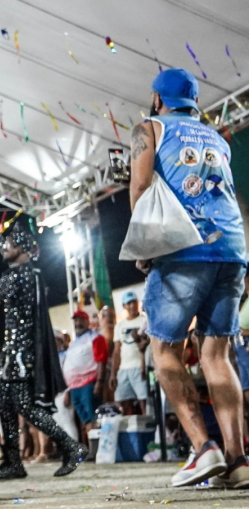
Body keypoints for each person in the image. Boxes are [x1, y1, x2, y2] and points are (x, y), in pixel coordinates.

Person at [129, 68, 248, 488]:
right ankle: (237, 460)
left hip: (185, 248)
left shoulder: (150, 127)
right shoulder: (216, 137)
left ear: (158, 99)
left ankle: (203, 449)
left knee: (165, 350)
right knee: (218, 354)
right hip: (233, 248)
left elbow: (141, 186)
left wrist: (145, 247)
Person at [0, 214, 86, 480]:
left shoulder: (17, 277)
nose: (5, 247)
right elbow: (9, 253)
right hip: (14, 354)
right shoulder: (29, 274)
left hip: (18, 355)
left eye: (9, 243)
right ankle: (13, 462)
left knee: (25, 408)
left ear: (24, 250)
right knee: (5, 403)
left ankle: (70, 447)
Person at [61, 310, 108, 440]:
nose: (78, 323)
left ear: (87, 321)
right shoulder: (74, 343)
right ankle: (93, 449)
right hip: (74, 388)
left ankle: (99, 448)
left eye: (81, 320)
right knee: (85, 420)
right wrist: (68, 390)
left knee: (93, 416)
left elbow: (101, 361)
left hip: (89, 383)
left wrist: (100, 381)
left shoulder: (95, 338)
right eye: (75, 320)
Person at [110, 291, 150, 415]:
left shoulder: (145, 320)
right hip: (124, 369)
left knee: (145, 401)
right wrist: (113, 373)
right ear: (124, 306)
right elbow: (117, 350)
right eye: (128, 303)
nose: (131, 305)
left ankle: (150, 430)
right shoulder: (119, 326)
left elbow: (148, 343)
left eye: (133, 302)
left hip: (140, 367)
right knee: (121, 402)